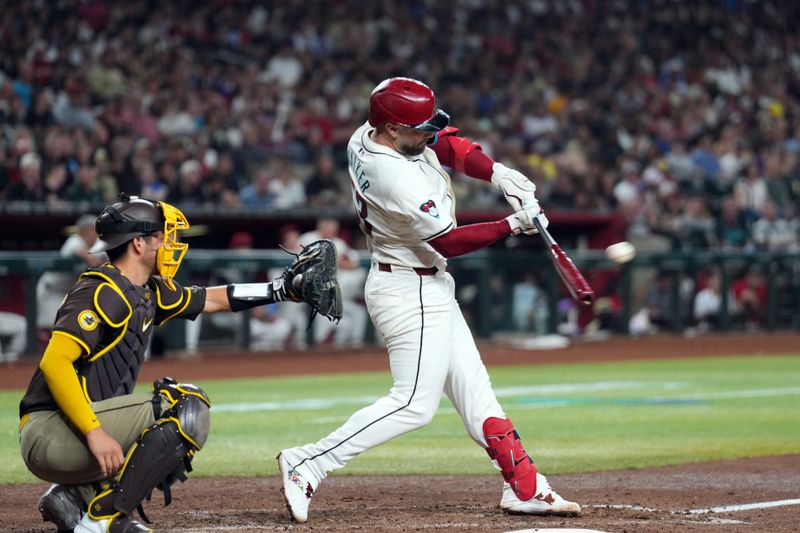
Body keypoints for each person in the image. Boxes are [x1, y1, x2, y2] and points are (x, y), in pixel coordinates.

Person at [278, 77, 580, 524]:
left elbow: (450, 144)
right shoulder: (392, 174)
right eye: (417, 128)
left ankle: (527, 487)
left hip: (427, 284)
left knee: (478, 397)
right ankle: (308, 463)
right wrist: (513, 224)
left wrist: (499, 172)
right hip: (408, 289)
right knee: (414, 404)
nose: (429, 134)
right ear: (392, 130)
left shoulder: (369, 133)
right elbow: (449, 243)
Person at [19, 195, 341, 533]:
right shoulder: (101, 291)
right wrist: (94, 432)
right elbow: (55, 364)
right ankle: (106, 518)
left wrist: (281, 289)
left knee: (169, 413)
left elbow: (213, 298)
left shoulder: (146, 291)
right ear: (139, 243)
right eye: (161, 236)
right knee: (185, 405)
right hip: (50, 431)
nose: (170, 244)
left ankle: (71, 496)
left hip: (72, 430)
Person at [36, 214, 106, 329]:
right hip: (51, 292)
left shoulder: (97, 243)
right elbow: (93, 261)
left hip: (68, 294)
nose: (96, 235)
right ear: (84, 231)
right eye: (93, 231)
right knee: (52, 328)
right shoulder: (74, 240)